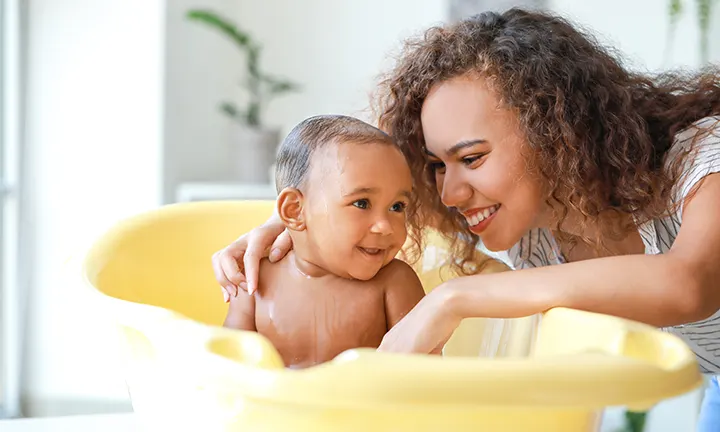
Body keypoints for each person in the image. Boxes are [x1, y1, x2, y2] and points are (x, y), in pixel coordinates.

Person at [211, 8, 720, 427]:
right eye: (436, 166)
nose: (450, 193)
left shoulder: (701, 157)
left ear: (557, 133)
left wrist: (452, 300)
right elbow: (374, 217)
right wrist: (297, 231)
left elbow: (688, 283)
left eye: (472, 158)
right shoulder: (536, 229)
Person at [222, 114, 442, 369]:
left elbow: (426, 376)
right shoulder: (255, 281)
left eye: (397, 206)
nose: (384, 226)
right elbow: (228, 368)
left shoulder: (394, 283)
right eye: (362, 203)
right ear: (294, 211)